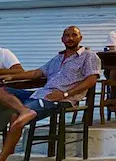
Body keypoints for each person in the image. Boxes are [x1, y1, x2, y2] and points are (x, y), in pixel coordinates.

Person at [0, 26, 100, 161]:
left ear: (80, 38)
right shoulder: (57, 58)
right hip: (41, 94)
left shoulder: (88, 56)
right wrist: (13, 77)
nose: (70, 38)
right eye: (67, 35)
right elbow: (37, 73)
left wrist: (65, 94)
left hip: (59, 99)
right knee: (3, 91)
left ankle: (3, 157)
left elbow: (91, 80)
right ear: (62, 39)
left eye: (74, 35)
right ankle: (24, 111)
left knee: (17, 119)